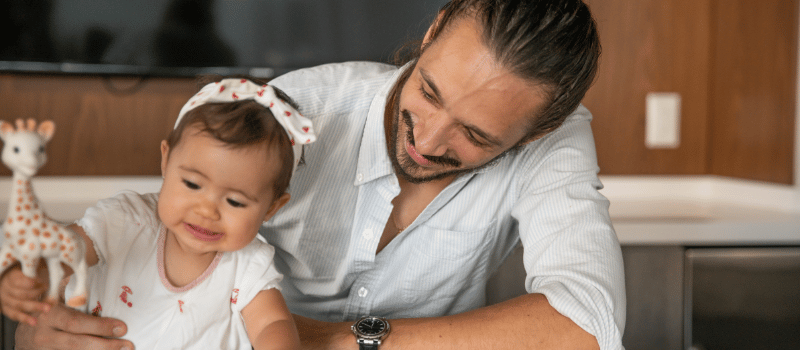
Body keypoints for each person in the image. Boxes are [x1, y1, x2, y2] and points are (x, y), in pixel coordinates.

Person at [6, 0, 625, 349]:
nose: (430, 140)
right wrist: (54, 326)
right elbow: (153, 233)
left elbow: (587, 324)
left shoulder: (555, 139)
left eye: (476, 135)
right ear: (433, 31)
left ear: (540, 130)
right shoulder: (291, 111)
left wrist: (324, 340)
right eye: (430, 91)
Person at [0, 79, 315, 349]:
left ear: (272, 208)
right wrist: (32, 276)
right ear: (166, 161)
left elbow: (271, 323)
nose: (206, 210)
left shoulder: (248, 264)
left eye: (234, 202)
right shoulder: (126, 221)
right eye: (192, 184)